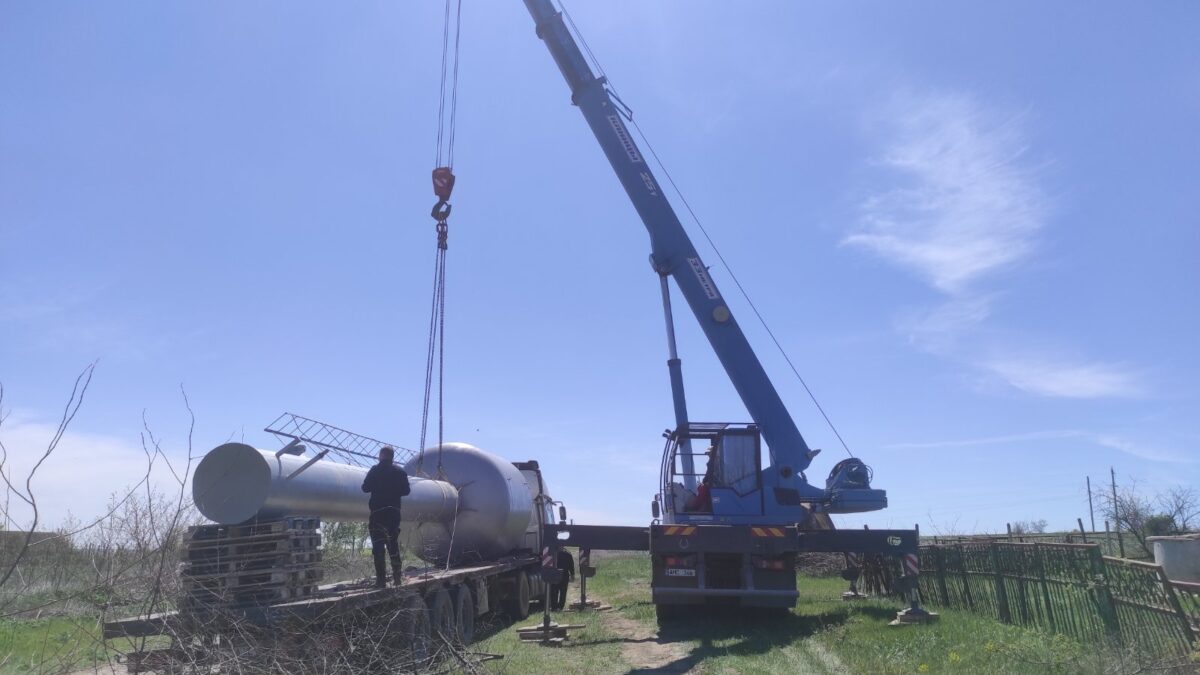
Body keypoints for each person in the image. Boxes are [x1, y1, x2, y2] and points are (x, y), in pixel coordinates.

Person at [361, 446, 410, 588]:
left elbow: (365, 488)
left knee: (378, 546)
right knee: (393, 545)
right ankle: (397, 579)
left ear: (381, 456)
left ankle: (381, 581)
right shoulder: (400, 472)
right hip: (393, 513)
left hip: (377, 513)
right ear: (392, 457)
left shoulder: (375, 470)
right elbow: (406, 491)